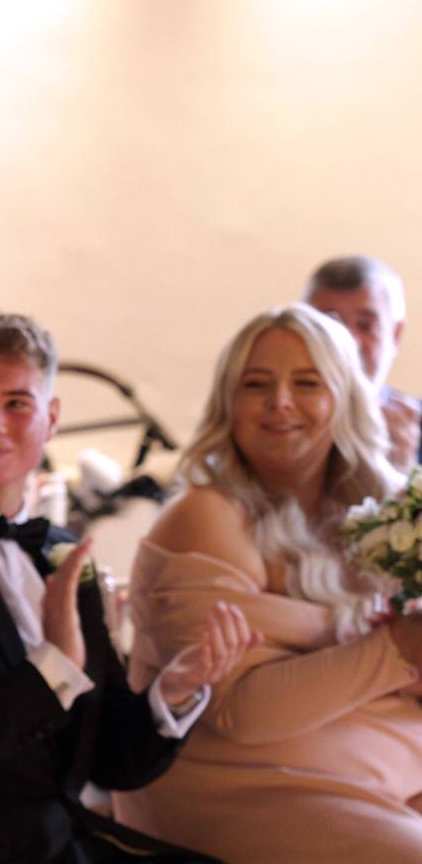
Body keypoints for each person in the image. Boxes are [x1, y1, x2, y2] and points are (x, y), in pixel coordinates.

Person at [0, 311, 255, 863]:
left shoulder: (61, 552)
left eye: (16, 403)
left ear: (51, 417)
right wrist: (52, 668)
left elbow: (112, 762)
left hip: (61, 843)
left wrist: (174, 690)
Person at [112, 304, 422, 862]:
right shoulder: (205, 517)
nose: (280, 402)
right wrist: (394, 650)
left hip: (387, 775)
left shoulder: (382, 517)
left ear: (345, 400)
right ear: (229, 404)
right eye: (257, 385)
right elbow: (243, 716)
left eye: (307, 383)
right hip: (242, 791)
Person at [304, 255, 420, 467]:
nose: (348, 340)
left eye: (365, 325)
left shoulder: (414, 426)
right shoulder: (279, 422)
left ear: (395, 334)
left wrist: (405, 472)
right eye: (331, 323)